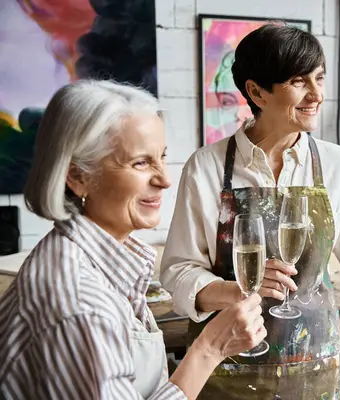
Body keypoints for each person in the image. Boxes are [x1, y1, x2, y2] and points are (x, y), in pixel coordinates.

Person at [160, 23, 340, 399]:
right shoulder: (207, 167)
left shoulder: (335, 163)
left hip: (315, 361)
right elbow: (178, 270)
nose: (316, 94)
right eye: (299, 81)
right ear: (256, 92)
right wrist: (236, 290)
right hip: (229, 365)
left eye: (320, 78)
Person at [0, 80, 266, 399]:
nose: (165, 180)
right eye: (140, 163)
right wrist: (210, 348)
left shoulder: (100, 259)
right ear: (78, 176)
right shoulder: (80, 305)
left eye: (162, 157)